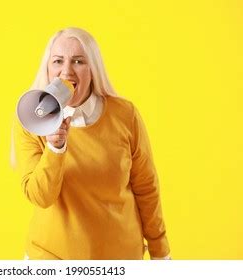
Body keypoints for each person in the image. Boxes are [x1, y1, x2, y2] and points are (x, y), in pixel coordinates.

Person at [12, 27, 171, 260]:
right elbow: (40, 196)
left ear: (93, 70)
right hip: (50, 257)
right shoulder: (30, 120)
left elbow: (146, 188)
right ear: (48, 68)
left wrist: (160, 251)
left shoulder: (125, 115)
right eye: (58, 61)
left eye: (78, 61)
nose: (66, 71)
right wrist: (55, 148)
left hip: (119, 257)